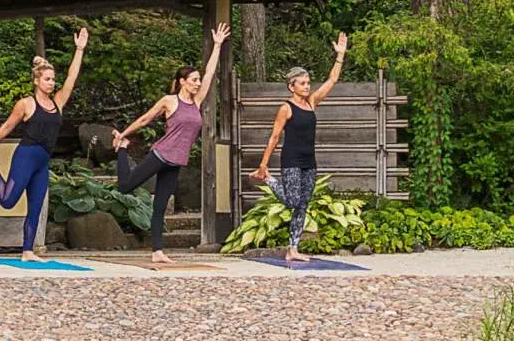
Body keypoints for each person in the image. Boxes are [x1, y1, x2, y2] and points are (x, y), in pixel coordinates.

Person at [111, 23, 232, 265]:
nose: (198, 83)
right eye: (193, 80)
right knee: (125, 187)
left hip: (176, 161)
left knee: (160, 206)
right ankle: (122, 149)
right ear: (182, 81)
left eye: (198, 80)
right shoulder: (170, 101)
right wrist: (123, 134)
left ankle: (157, 251)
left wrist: (217, 45)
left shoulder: (196, 102)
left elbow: (210, 74)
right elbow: (146, 118)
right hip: (160, 154)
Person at [0, 27, 89, 261]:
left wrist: (79, 49)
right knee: (8, 201)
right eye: (47, 79)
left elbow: (71, 78)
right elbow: (8, 126)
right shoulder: (26, 104)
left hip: (43, 161)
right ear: (37, 81)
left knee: (36, 207)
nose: (52, 83)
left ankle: (27, 250)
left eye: (53, 80)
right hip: (26, 155)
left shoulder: (58, 102)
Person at [252, 33, 348, 262]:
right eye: (302, 83)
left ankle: (293, 248)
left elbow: (332, 81)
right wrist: (263, 166)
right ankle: (269, 180)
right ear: (291, 86)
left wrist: (340, 56)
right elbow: (274, 137)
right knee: (293, 200)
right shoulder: (286, 108)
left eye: (307, 83)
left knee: (302, 205)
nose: (307, 86)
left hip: (309, 161)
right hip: (291, 160)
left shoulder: (312, 103)